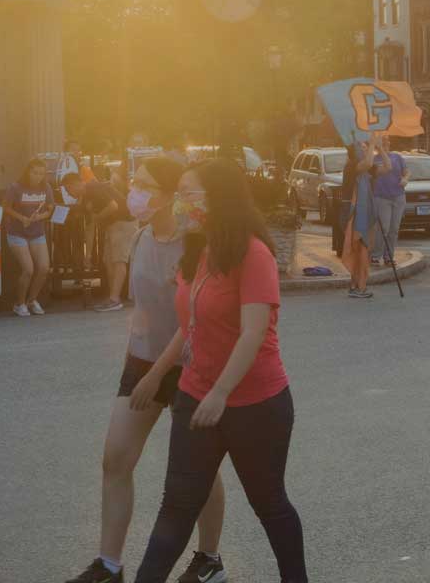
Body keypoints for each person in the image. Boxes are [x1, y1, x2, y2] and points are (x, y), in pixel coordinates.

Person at [133, 159, 306, 583]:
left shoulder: (254, 253)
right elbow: (189, 325)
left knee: (269, 503)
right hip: (195, 394)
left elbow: (253, 333)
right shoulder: (197, 252)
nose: (181, 202)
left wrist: (222, 392)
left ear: (218, 199)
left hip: (256, 404)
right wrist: (156, 373)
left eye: (190, 193)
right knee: (177, 505)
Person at [67, 156, 229, 583]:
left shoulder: (194, 246)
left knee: (200, 472)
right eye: (134, 181)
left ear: (169, 194)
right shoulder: (140, 238)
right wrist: (134, 356)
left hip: (189, 367)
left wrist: (157, 374)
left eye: (143, 183)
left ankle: (209, 558)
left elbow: (191, 321)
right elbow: (141, 309)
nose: (133, 190)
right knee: (115, 459)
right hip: (141, 363)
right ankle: (108, 565)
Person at [62, 170, 138, 313]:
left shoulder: (93, 188)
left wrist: (97, 218)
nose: (68, 193)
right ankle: (113, 298)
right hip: (111, 225)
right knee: (108, 261)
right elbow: (90, 227)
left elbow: (113, 206)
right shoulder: (85, 199)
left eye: (68, 189)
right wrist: (88, 256)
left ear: (75, 185)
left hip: (124, 221)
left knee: (118, 260)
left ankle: (114, 299)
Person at [3, 158, 54, 317]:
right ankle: (20, 303)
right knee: (28, 269)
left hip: (37, 232)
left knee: (44, 268)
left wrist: (40, 217)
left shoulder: (46, 187)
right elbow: (5, 207)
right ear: (28, 171)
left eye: (41, 173)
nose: (37, 176)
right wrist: (21, 218)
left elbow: (50, 209)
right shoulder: (15, 187)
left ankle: (32, 300)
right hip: (17, 233)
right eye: (35, 172)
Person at [343, 134, 384, 299]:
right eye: (362, 147)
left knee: (362, 251)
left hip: (364, 215)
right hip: (354, 216)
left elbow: (388, 167)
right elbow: (367, 163)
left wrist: (380, 149)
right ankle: (358, 287)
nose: (365, 148)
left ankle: (356, 286)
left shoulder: (366, 170)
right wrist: (373, 143)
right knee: (357, 250)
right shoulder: (352, 166)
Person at [369, 135, 407, 265]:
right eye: (382, 141)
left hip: (398, 196)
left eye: (387, 141)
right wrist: (378, 148)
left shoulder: (397, 157)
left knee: (394, 229)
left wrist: (405, 178)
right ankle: (375, 255)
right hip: (381, 197)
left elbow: (406, 172)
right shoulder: (373, 160)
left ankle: (389, 257)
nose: (386, 143)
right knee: (383, 227)